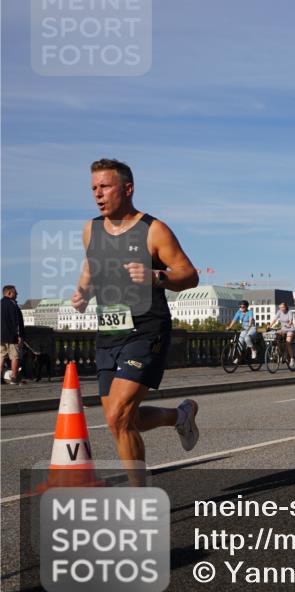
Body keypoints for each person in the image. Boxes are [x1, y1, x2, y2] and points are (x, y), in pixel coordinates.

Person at [70, 159, 200, 481]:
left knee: (117, 415)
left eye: (105, 187)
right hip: (109, 331)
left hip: (146, 329)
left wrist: (157, 276)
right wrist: (82, 291)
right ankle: (180, 415)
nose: (97, 195)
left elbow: (190, 275)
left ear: (127, 189)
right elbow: (91, 264)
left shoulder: (153, 230)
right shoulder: (92, 229)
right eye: (94, 189)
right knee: (123, 421)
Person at [1, 285, 25, 385]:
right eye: (15, 293)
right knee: (14, 356)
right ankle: (14, 378)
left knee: (1, 356)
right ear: (9, 293)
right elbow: (17, 322)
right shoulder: (13, 304)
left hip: (1, 336)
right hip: (12, 336)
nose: (17, 294)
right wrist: (20, 336)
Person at [268, 301, 295, 366]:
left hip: (289, 329)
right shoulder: (279, 312)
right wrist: (270, 325)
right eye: (280, 307)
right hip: (283, 329)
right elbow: (275, 319)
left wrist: (289, 324)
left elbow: (291, 321)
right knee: (275, 337)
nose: (281, 308)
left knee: (288, 343)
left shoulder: (289, 312)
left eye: (283, 307)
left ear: (286, 307)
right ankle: (279, 353)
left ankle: (292, 358)